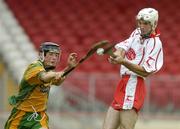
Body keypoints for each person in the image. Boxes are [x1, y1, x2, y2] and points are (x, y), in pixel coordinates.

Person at [102, 8, 163, 129]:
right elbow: (124, 46)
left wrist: (123, 61)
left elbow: (146, 72)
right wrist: (118, 55)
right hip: (123, 83)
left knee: (125, 127)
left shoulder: (155, 43)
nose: (141, 26)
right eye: (140, 23)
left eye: (145, 23)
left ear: (154, 24)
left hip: (134, 84)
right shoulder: (136, 32)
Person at [4, 42, 78, 129]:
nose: (54, 58)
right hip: (20, 116)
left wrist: (69, 68)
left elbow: (58, 82)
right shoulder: (34, 67)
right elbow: (44, 77)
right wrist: (55, 74)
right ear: (42, 55)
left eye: (56, 55)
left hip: (39, 117)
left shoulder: (49, 71)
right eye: (51, 54)